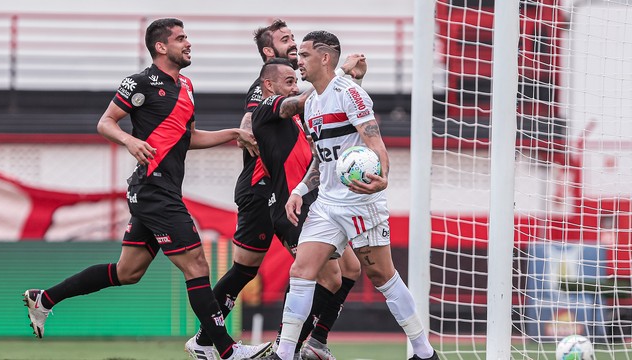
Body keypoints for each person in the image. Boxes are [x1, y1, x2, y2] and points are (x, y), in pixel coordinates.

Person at [21, 18, 271, 360]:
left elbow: (189, 138)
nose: (189, 43)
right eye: (181, 38)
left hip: (161, 190)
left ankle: (43, 299)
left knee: (128, 272)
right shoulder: (139, 82)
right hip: (153, 190)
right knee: (197, 264)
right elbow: (105, 122)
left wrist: (233, 133)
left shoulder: (187, 87)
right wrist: (129, 140)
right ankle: (225, 351)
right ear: (160, 46)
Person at [250, 31, 440, 360]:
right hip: (326, 204)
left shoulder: (350, 95)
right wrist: (298, 191)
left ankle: (424, 353)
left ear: (325, 58)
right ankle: (283, 354)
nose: (299, 60)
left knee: (382, 275)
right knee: (301, 272)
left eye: (305, 55)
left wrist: (381, 179)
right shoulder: (311, 106)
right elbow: (319, 160)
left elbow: (376, 145)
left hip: (360, 202)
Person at [187, 19, 363, 360]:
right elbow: (252, 120)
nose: (294, 42)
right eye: (286, 39)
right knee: (316, 271)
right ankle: (290, 347)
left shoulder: (293, 88)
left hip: (292, 191)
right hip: (264, 189)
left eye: (295, 37)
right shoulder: (268, 89)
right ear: (269, 52)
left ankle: (308, 342)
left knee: (248, 268)